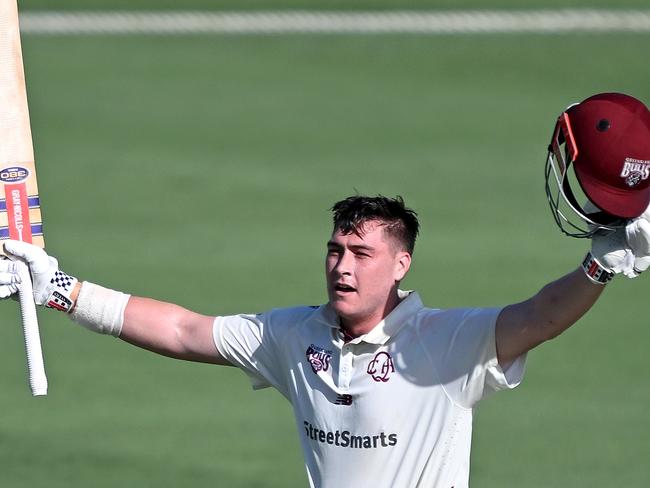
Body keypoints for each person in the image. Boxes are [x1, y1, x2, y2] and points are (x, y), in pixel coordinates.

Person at [1, 93, 649, 488]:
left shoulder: (449, 344)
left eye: (362, 254)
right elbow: (181, 330)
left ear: (401, 265)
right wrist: (59, 288)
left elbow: (539, 318)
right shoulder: (294, 337)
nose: (343, 265)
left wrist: (600, 266)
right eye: (336, 249)